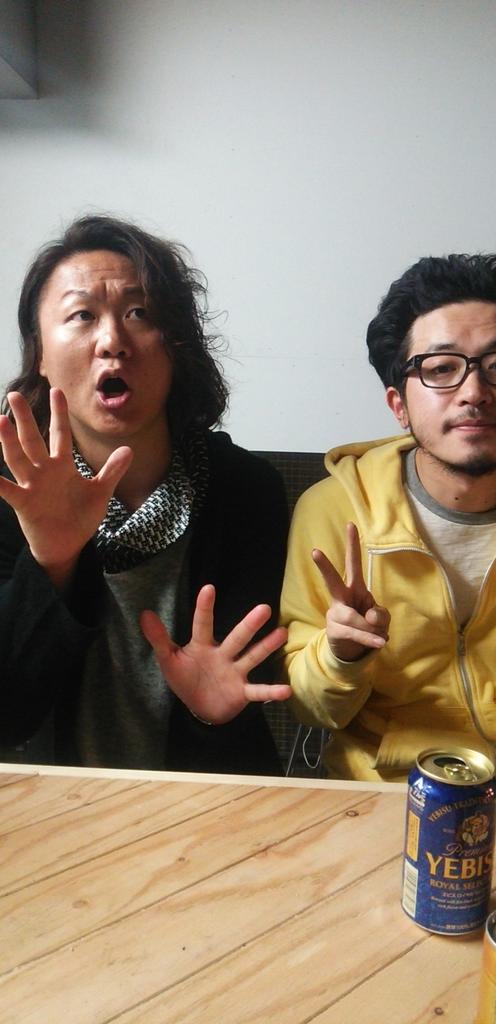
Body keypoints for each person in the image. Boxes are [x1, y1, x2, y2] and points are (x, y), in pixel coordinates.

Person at [0, 214, 291, 774]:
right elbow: (7, 718)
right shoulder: (9, 493)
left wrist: (211, 715)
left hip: (207, 805)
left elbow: (244, 692)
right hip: (42, 807)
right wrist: (51, 564)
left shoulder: (246, 491)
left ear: (176, 344)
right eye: (82, 315)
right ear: (40, 354)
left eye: (140, 313)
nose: (113, 341)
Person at [281, 253, 496, 785]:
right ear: (398, 403)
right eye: (441, 368)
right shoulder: (332, 510)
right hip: (377, 787)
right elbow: (312, 709)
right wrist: (341, 655)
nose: (474, 392)